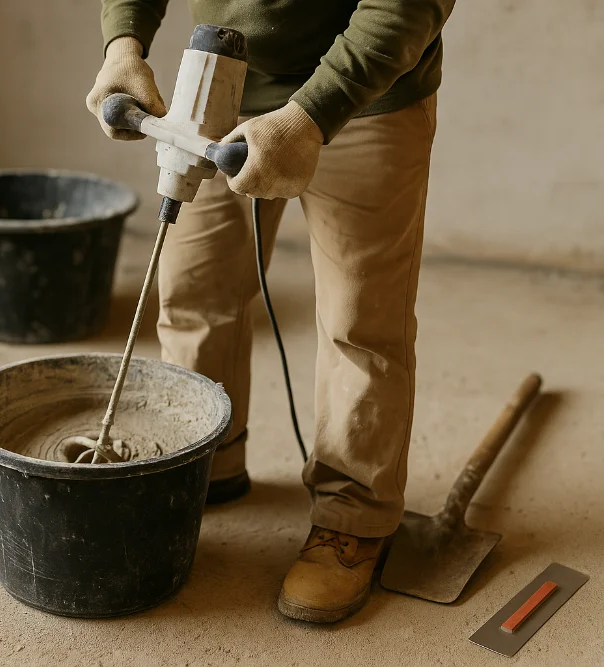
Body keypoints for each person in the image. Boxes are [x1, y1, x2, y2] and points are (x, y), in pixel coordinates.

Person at [86, 0, 456, 623]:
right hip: (220, 79)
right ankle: (205, 460)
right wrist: (122, 43)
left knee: (360, 323)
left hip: (368, 95)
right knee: (195, 291)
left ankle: (353, 518)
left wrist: (309, 118)